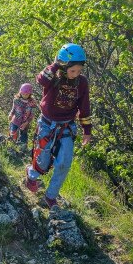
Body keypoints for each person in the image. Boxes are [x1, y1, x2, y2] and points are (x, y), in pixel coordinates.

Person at [25, 43, 92, 208]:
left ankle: (50, 196)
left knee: (64, 162)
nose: (75, 74)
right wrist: (56, 64)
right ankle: (31, 175)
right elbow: (41, 79)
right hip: (47, 124)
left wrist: (87, 131)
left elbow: (84, 107)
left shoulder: (81, 83)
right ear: (63, 67)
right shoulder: (53, 78)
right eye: (72, 70)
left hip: (67, 127)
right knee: (43, 159)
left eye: (79, 70)